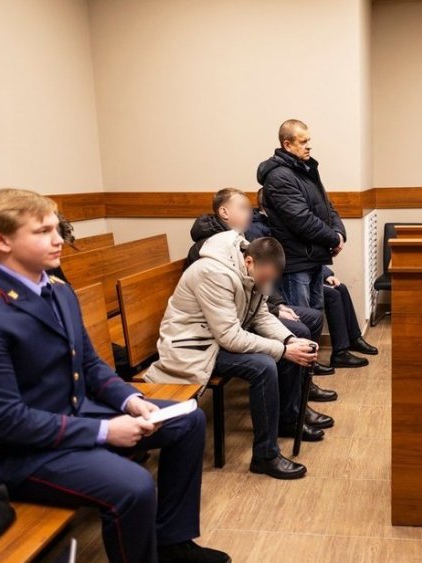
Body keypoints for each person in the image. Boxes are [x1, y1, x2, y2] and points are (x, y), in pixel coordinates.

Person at [0, 188, 228, 563]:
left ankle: (172, 541)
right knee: (133, 486)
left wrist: (131, 400)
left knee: (187, 420)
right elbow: (6, 421)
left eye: (56, 228)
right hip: (18, 452)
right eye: (42, 231)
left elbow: (91, 365)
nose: (58, 239)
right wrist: (105, 431)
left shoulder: (58, 290)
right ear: (2, 241)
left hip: (71, 415)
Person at [145, 233, 325, 480]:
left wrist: (288, 341)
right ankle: (265, 456)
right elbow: (230, 337)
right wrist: (283, 350)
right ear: (249, 262)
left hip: (215, 340)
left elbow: (261, 316)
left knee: (290, 352)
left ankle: (287, 420)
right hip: (192, 347)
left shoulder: (257, 271)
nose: (267, 283)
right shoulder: (213, 273)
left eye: (271, 279)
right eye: (265, 278)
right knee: (264, 366)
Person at [186, 188, 337, 401]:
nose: (250, 213)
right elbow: (230, 304)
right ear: (224, 212)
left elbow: (259, 284)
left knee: (310, 319)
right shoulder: (207, 251)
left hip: (247, 314)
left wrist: (278, 306)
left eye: (250, 208)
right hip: (222, 327)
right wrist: (281, 336)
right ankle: (296, 396)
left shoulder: (243, 241)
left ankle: (301, 389)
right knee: (297, 331)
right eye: (243, 208)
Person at [258, 119, 346, 311]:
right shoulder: (279, 176)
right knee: (302, 320)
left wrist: (339, 234)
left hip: (313, 259)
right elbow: (302, 220)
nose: (309, 146)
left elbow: (327, 207)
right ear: (287, 144)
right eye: (303, 142)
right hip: (296, 264)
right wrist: (333, 239)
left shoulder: (305, 170)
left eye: (309, 141)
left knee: (315, 316)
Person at [322, 266, 378, 368]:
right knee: (333, 294)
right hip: (296, 282)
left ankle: (354, 339)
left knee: (341, 288)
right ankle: (339, 353)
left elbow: (311, 259)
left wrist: (326, 275)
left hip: (310, 276)